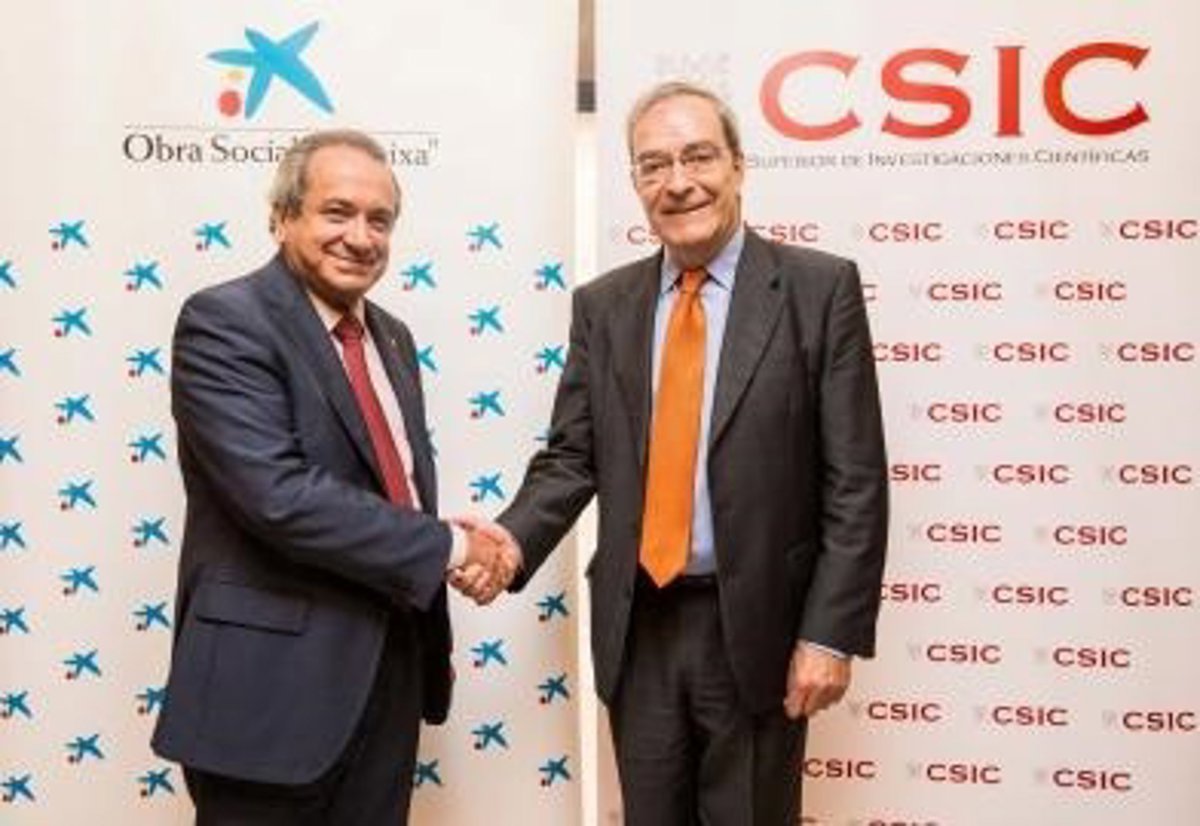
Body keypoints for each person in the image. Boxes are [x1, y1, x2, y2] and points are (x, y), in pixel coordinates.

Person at [470, 81, 889, 824]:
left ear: (737, 166)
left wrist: (829, 633)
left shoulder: (819, 289)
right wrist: (511, 540)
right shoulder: (603, 306)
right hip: (641, 627)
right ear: (635, 182)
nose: (678, 181)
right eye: (654, 164)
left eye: (698, 156)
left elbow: (854, 482)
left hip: (759, 628)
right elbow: (573, 456)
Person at [151, 129, 511, 825]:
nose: (361, 237)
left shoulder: (392, 336)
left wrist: (443, 535)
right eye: (337, 212)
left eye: (380, 220)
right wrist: (450, 547)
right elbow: (279, 497)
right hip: (267, 696)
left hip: (388, 677)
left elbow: (383, 485)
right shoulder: (225, 320)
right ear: (282, 217)